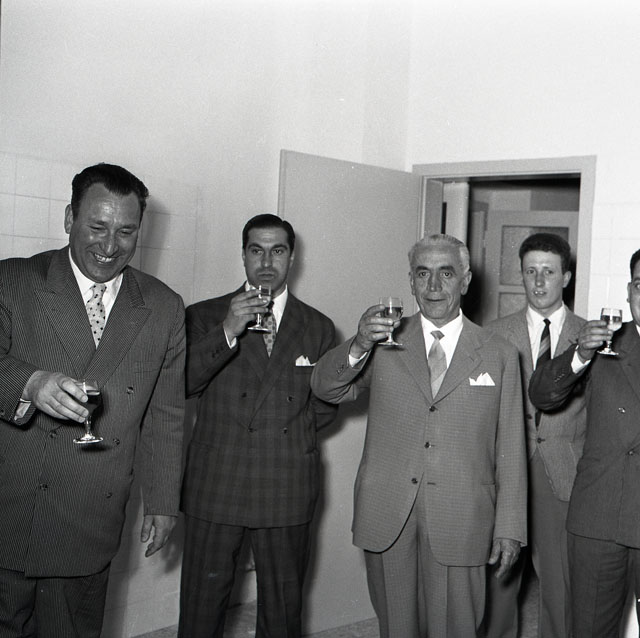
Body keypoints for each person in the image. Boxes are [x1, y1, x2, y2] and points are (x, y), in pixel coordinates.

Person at [0, 163, 186, 637]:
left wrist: (163, 501)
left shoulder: (163, 306)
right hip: (10, 505)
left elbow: (166, 415)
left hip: (87, 519)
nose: (110, 246)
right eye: (97, 227)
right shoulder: (13, 279)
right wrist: (30, 383)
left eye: (126, 231)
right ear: (69, 218)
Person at [311, 233, 527, 638]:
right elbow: (326, 388)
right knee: (397, 627)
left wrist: (510, 527)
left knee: (458, 627)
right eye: (423, 274)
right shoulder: (383, 342)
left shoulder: (498, 352)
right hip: (388, 511)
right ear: (410, 281)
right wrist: (359, 342)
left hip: (463, 515)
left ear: (465, 280)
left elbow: (511, 448)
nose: (434, 286)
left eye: (446, 273)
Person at [178, 214, 337, 637]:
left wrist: (281, 435)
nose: (267, 262)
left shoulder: (318, 326)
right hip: (216, 483)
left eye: (277, 251)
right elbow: (182, 385)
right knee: (200, 612)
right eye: (256, 251)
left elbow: (325, 406)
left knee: (282, 614)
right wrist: (228, 330)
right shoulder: (204, 315)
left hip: (286, 484)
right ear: (243, 255)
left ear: (293, 257)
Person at [530, 248, 640, 637]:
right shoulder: (604, 341)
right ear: (629, 292)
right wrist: (579, 354)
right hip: (599, 520)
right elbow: (542, 395)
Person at [484, 233, 586, 638]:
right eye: (531, 272)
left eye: (549, 272)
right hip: (506, 470)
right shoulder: (493, 334)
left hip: (563, 471)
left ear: (566, 277)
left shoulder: (591, 336)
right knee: (499, 577)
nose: (539, 281)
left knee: (561, 584)